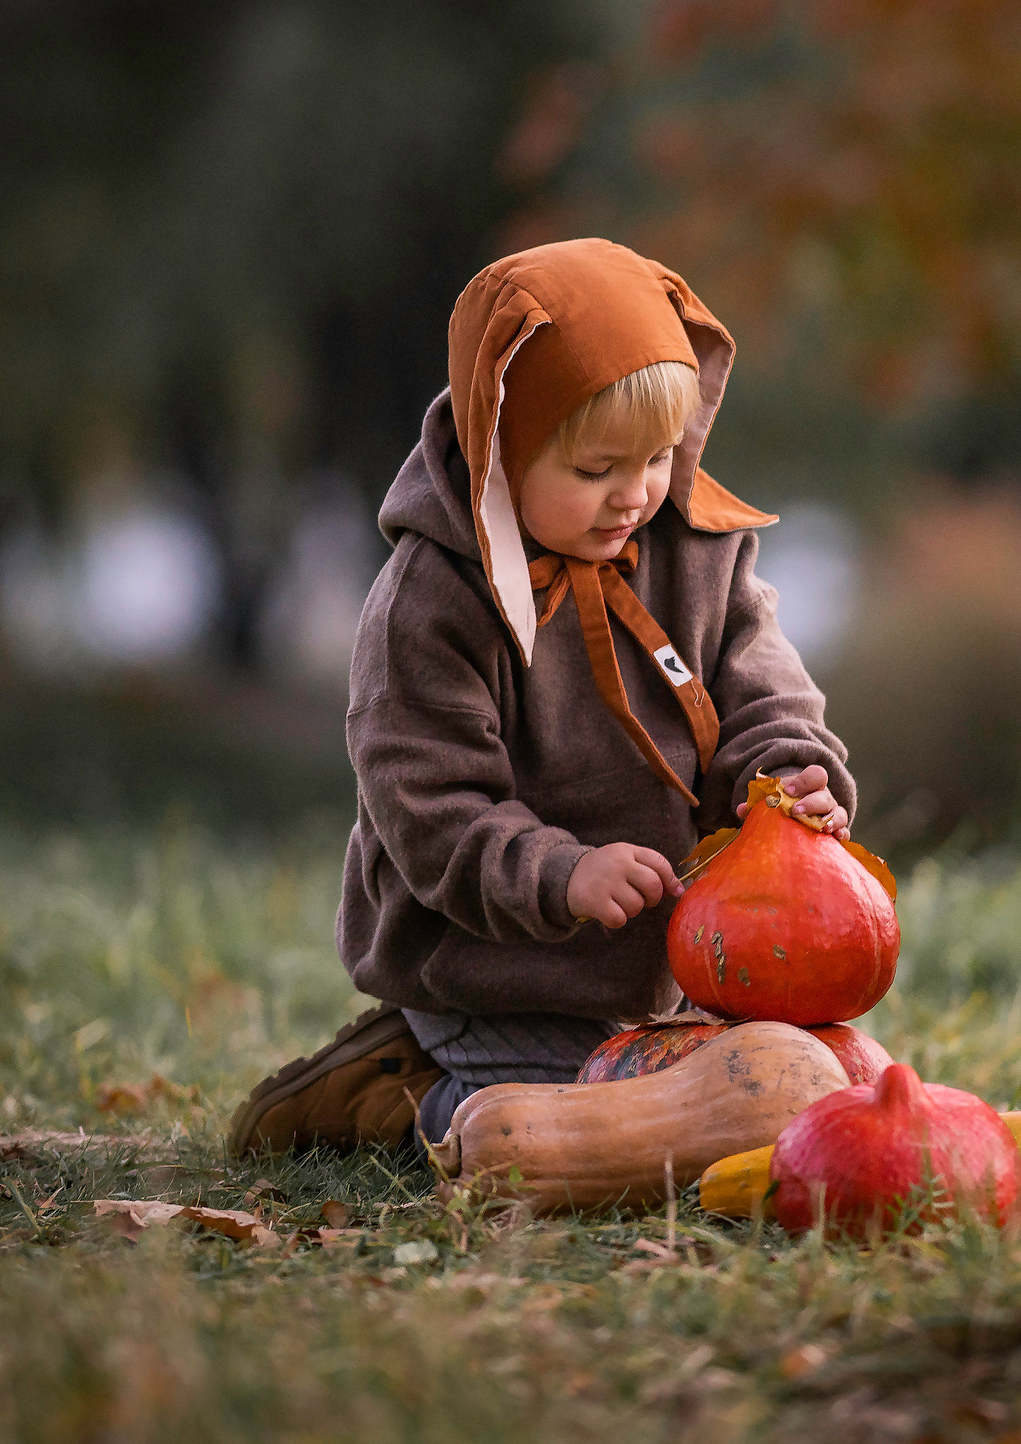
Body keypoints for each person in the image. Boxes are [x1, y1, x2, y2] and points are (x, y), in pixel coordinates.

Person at [230, 238, 852, 1155]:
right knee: (594, 1112)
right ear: (501, 450)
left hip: (672, 972)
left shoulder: (697, 543)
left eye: (653, 458)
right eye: (596, 469)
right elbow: (432, 813)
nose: (633, 495)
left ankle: (579, 1075)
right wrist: (562, 873)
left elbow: (764, 689)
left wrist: (789, 775)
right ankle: (404, 1098)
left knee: (780, 1076)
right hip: (496, 973)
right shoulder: (432, 604)